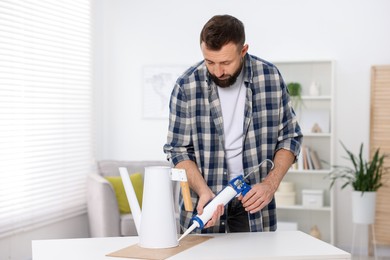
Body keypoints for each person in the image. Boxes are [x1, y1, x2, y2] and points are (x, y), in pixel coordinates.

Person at [163, 14, 303, 234]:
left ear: (243, 50)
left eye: (226, 62)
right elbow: (177, 150)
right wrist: (203, 191)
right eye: (210, 62)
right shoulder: (186, 86)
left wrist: (270, 184)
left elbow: (290, 137)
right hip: (205, 203)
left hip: (253, 204)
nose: (217, 71)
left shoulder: (270, 78)